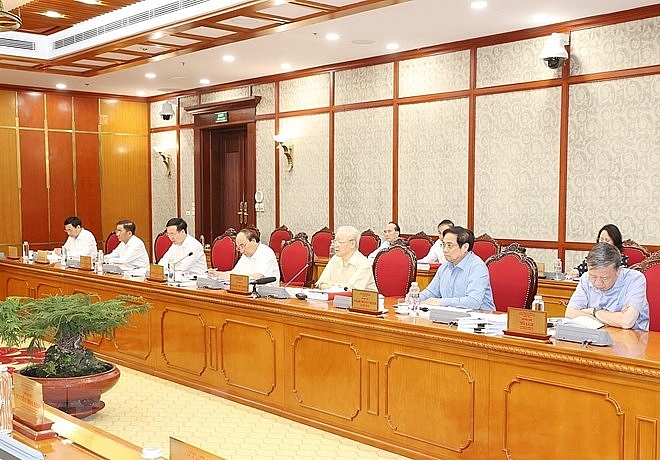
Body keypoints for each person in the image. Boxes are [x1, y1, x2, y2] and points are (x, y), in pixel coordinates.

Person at [565, 242, 649, 330]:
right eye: (593, 276)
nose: (598, 283)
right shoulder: (585, 278)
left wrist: (594, 311)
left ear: (618, 270)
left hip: (632, 336)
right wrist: (614, 319)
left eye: (604, 278)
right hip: (595, 334)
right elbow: (570, 313)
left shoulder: (635, 279)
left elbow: (626, 322)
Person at [419, 226, 495, 310]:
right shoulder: (445, 266)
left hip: (480, 315)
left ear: (465, 247)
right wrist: (416, 297)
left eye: (449, 245)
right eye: (443, 245)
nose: (445, 250)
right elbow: (431, 291)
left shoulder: (477, 267)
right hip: (451, 314)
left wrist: (441, 302)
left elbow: (473, 302)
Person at [316, 225, 377, 291]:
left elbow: (350, 290)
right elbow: (320, 283)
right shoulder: (335, 258)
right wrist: (339, 286)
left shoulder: (364, 264)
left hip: (360, 298)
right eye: (335, 241)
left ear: (352, 244)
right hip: (336, 297)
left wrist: (329, 284)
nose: (336, 245)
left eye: (340, 242)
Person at [211, 228, 279, 283]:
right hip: (247, 291)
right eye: (239, 248)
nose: (241, 251)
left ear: (253, 241)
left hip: (266, 294)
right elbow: (234, 273)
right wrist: (218, 274)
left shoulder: (266, 252)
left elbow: (259, 277)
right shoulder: (245, 254)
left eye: (243, 245)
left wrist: (237, 279)